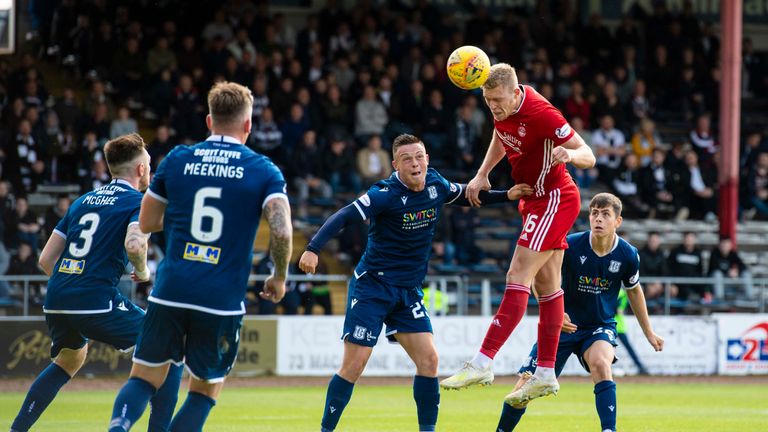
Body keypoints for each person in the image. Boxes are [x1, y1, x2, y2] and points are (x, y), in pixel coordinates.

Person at [298, 134, 531, 432]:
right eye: (407, 158)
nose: (415, 163)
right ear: (395, 165)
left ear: (427, 159)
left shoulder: (435, 184)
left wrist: (506, 195)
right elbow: (345, 215)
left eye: (419, 156)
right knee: (354, 366)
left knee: (430, 361)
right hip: (373, 287)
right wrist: (313, 248)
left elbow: (466, 195)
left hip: (407, 291)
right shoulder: (384, 193)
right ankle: (326, 430)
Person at [107, 82, 293, 431]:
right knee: (205, 391)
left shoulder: (178, 159)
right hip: (220, 298)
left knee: (144, 377)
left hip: (171, 289)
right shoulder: (263, 169)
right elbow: (281, 230)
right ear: (249, 125)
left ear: (209, 120)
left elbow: (146, 222)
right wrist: (279, 276)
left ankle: (118, 427)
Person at [441, 63, 596, 407]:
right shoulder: (504, 109)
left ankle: (483, 361)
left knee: (517, 274)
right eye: (487, 100)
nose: (493, 106)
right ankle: (545, 374)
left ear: (515, 92)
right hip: (531, 199)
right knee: (548, 287)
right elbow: (501, 133)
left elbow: (589, 154)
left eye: (498, 99)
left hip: (554, 198)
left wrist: (569, 154)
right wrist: (483, 174)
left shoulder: (543, 114)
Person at [10, 134, 182, 432]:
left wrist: (72, 285)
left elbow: (46, 258)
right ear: (141, 169)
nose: (150, 171)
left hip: (57, 296)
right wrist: (142, 271)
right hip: (93, 298)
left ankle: (16, 429)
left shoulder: (82, 202)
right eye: (149, 165)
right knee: (168, 344)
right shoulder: (137, 202)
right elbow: (134, 244)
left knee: (69, 360)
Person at [496, 193, 664, 432]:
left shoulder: (628, 255)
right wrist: (555, 313)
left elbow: (634, 292)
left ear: (618, 221)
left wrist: (649, 332)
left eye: (606, 214)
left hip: (598, 327)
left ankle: (609, 430)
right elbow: (537, 277)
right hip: (561, 327)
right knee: (523, 389)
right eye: (594, 213)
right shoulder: (570, 245)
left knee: (601, 363)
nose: (598, 218)